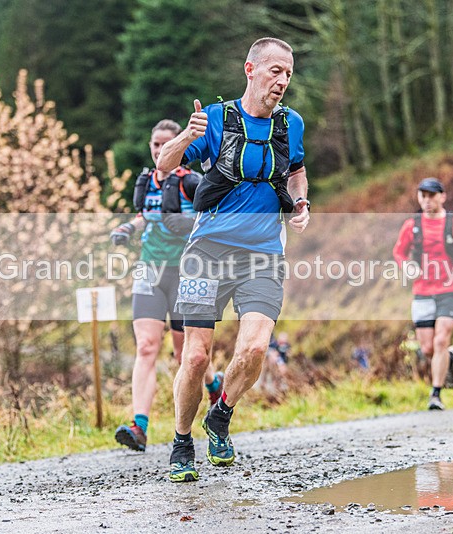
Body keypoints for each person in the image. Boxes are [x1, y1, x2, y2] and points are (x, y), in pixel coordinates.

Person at [156, 37, 310, 482]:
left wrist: (300, 203)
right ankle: (182, 441)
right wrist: (188, 134)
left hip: (263, 253)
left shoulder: (291, 124)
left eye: (287, 74)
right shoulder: (218, 119)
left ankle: (220, 416)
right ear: (250, 70)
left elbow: (296, 172)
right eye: (274, 71)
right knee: (197, 357)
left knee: (256, 347)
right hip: (208, 251)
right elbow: (166, 165)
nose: (281, 81)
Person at [109, 119, 223, 453]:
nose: (160, 150)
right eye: (156, 144)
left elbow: (214, 220)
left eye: (166, 144)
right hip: (150, 269)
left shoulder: (191, 182)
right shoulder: (147, 182)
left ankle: (215, 386)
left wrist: (185, 224)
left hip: (188, 272)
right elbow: (147, 214)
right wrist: (128, 227)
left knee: (184, 355)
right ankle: (139, 426)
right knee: (146, 346)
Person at [393, 177, 453, 411]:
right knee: (428, 349)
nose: (427, 200)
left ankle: (436, 395)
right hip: (422, 290)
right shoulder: (411, 226)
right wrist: (407, 266)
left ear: (442, 197)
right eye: (422, 195)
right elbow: (399, 253)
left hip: (450, 288)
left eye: (431, 195)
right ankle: (450, 359)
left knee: (442, 339)